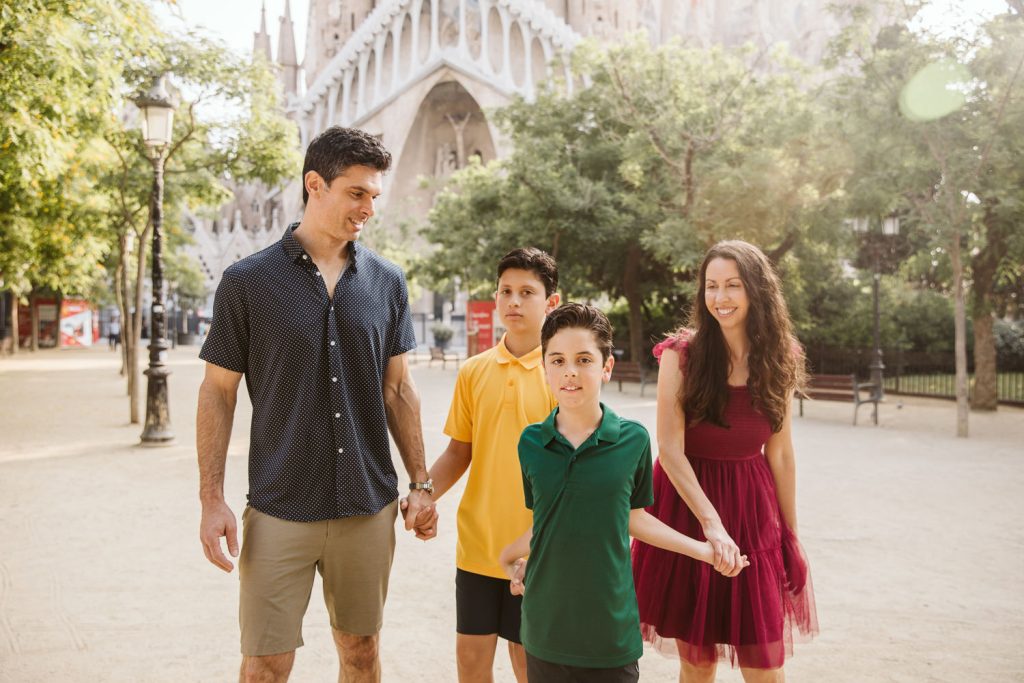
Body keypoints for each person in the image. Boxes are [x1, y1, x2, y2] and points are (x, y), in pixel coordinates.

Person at [196, 126, 437, 683]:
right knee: (265, 665)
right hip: (280, 504)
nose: (368, 208)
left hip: (366, 504)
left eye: (375, 195)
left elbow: (398, 389)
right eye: (357, 193)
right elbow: (217, 391)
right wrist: (212, 499)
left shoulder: (387, 281)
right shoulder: (247, 282)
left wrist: (421, 483)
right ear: (315, 184)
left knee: (361, 653)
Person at [499, 303, 747, 683]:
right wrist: (509, 559)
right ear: (545, 368)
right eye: (558, 360)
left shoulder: (633, 439)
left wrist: (703, 550)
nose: (570, 371)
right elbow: (549, 521)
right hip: (544, 632)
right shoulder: (531, 443)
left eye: (583, 359)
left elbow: (632, 518)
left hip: (611, 636)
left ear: (606, 367)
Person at [632, 240, 819, 682]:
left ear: (756, 290)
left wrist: (790, 535)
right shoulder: (680, 355)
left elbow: (781, 453)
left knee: (765, 664)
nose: (720, 297)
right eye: (711, 286)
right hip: (687, 506)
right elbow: (671, 449)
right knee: (697, 663)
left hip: (753, 508)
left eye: (732, 285)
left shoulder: (781, 356)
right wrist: (712, 525)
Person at [408, 247, 560, 682]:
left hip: (537, 552)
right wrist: (422, 494)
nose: (514, 301)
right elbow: (460, 452)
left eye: (527, 292)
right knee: (471, 665)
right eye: (506, 291)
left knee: (528, 665)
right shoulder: (474, 372)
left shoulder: (559, 374)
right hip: (477, 549)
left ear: (551, 302)